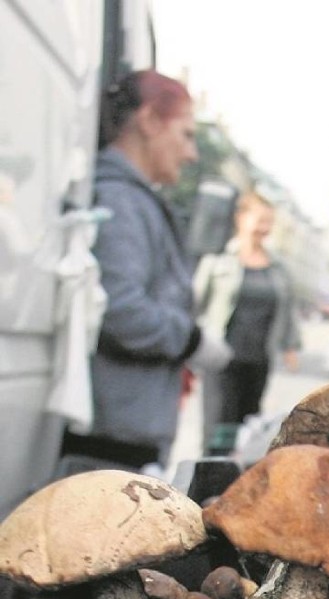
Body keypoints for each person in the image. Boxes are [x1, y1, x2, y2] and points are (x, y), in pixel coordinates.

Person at [59, 69, 232, 476]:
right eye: (186, 135)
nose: (191, 153)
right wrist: (191, 339)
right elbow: (120, 310)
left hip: (120, 431)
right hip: (112, 439)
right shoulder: (121, 200)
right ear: (150, 121)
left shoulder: (129, 197)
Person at [193, 189, 301, 450]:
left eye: (269, 222)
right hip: (221, 359)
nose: (265, 228)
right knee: (218, 431)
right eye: (260, 220)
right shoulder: (218, 258)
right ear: (241, 218)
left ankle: (236, 489)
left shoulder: (278, 266)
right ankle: (205, 487)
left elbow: (287, 307)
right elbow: (195, 303)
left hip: (259, 359)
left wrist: (290, 346)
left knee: (247, 433)